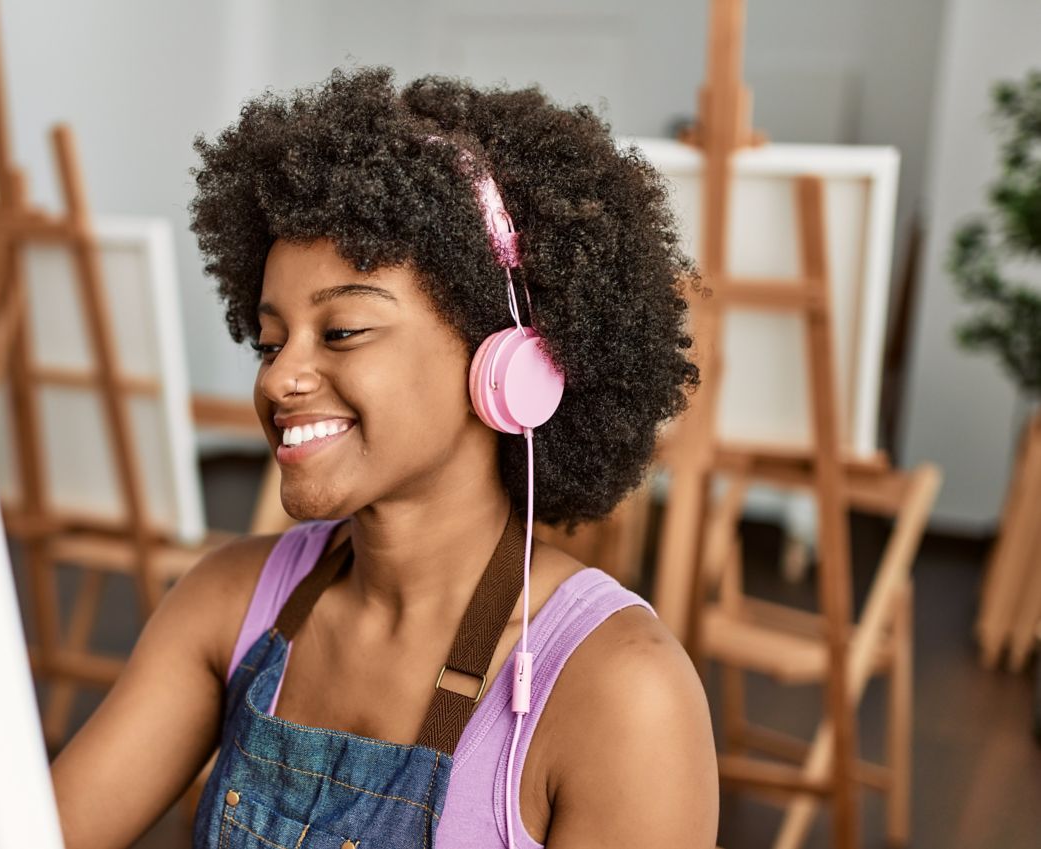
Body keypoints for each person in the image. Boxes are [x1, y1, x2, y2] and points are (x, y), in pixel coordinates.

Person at [51, 66, 718, 848]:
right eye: (270, 342)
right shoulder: (227, 602)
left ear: (506, 363)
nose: (280, 376)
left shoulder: (620, 691)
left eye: (341, 332)